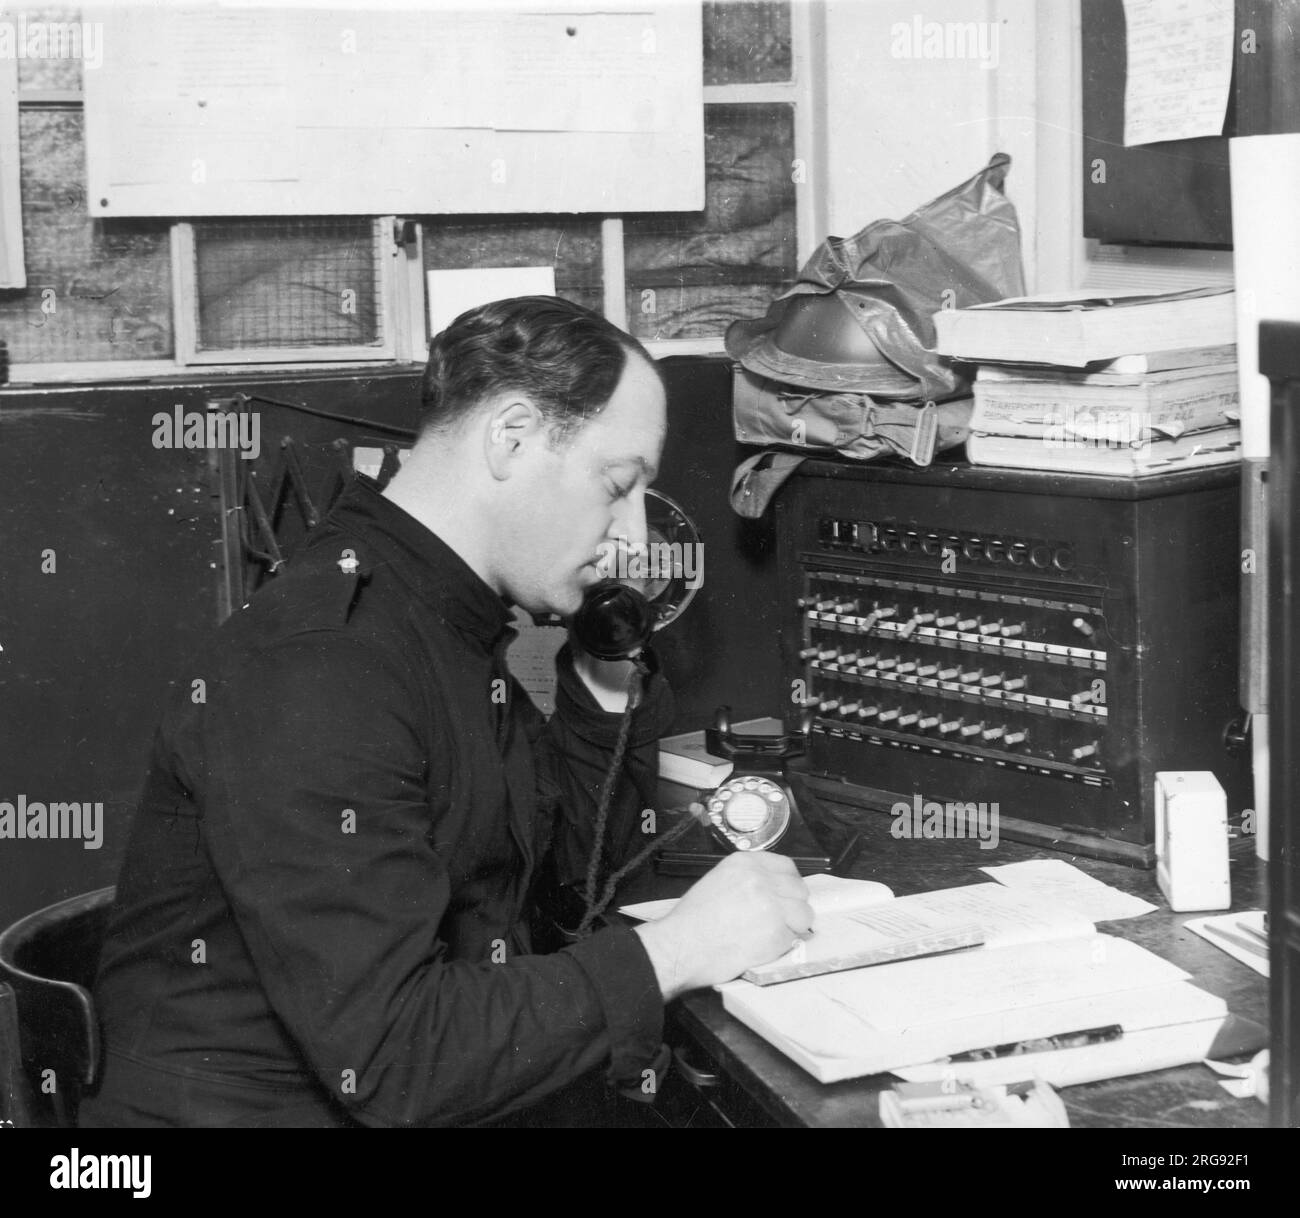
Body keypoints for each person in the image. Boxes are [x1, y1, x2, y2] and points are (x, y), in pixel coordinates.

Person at [81, 296, 813, 1128]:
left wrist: (605, 685)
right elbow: (392, 1060)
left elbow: (564, 884)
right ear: (511, 436)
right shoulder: (325, 663)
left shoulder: (440, 619)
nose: (635, 540)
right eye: (618, 486)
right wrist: (678, 951)